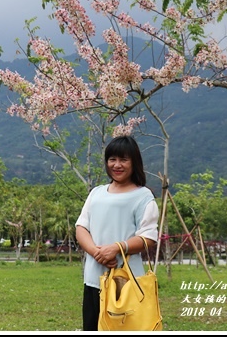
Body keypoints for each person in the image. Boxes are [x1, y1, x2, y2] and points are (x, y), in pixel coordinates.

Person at [75, 135, 159, 331]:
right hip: (94, 279)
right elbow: (81, 228)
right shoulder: (96, 192)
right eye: (112, 159)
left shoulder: (143, 196)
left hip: (127, 281)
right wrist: (98, 253)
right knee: (92, 327)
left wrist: (117, 248)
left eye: (123, 159)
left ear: (134, 162)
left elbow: (148, 237)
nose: (117, 165)